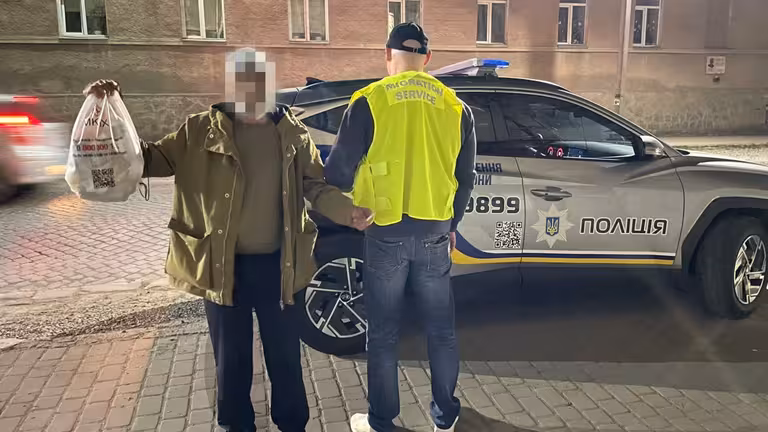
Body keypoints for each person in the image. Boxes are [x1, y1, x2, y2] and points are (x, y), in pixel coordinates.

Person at [84, 48, 372, 432]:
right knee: (232, 360)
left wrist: (347, 211)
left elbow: (315, 186)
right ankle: (237, 425)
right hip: (223, 267)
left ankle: (293, 424)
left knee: (285, 357)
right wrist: (108, 114)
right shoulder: (199, 130)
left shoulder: (291, 132)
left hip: (280, 267)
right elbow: (148, 159)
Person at [324, 23, 477, 432]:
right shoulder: (455, 106)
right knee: (441, 330)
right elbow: (465, 177)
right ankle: (445, 417)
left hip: (385, 230)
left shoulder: (370, 101)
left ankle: (381, 421)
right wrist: (452, 223)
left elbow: (338, 174)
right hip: (435, 230)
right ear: (428, 58)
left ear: (387, 55)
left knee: (383, 333)